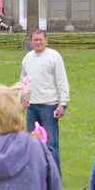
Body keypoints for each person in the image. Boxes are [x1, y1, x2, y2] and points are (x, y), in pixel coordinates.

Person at [20, 29, 70, 166]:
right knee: (31, 144)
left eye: (40, 39)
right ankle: (35, 176)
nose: (38, 42)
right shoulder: (27, 59)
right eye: (35, 40)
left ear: (46, 40)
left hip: (49, 106)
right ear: (31, 42)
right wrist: (22, 101)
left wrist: (63, 103)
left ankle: (54, 178)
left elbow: (61, 81)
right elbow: (23, 82)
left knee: (51, 144)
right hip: (31, 107)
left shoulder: (54, 57)